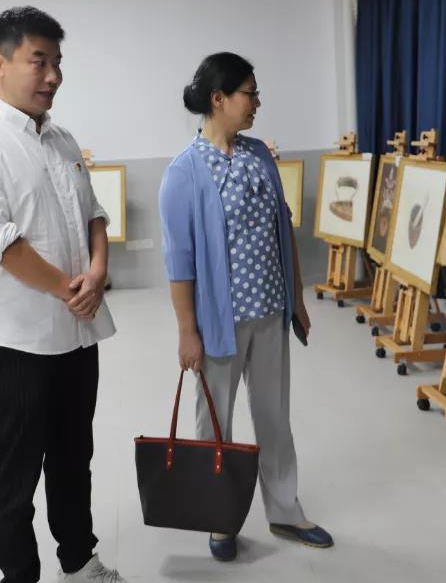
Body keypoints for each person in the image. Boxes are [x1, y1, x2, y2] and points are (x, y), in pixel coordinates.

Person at [0, 6, 126, 583]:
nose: (52, 76)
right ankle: (19, 575)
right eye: (38, 61)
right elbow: (1, 244)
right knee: (17, 471)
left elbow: (94, 214)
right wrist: (72, 291)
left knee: (74, 458)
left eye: (58, 62)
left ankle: (79, 560)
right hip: (17, 339)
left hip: (77, 332)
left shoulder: (62, 139)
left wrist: (97, 271)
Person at [158, 52, 333, 562]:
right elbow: (179, 262)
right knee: (216, 423)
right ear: (219, 99)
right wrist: (187, 331)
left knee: (274, 416)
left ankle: (285, 510)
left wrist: (296, 298)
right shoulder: (184, 172)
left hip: (270, 313)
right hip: (219, 324)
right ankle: (220, 517)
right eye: (249, 94)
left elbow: (283, 229)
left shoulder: (259, 155)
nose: (257, 103)